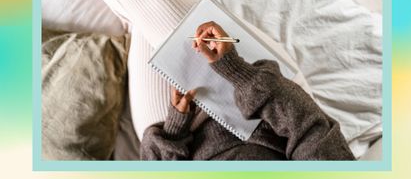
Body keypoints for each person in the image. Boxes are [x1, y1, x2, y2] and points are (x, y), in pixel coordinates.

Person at [139, 21, 355, 160]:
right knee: (147, 5)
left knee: (139, 21)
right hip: (268, 103)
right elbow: (310, 130)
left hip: (180, 132)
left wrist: (174, 130)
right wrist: (237, 71)